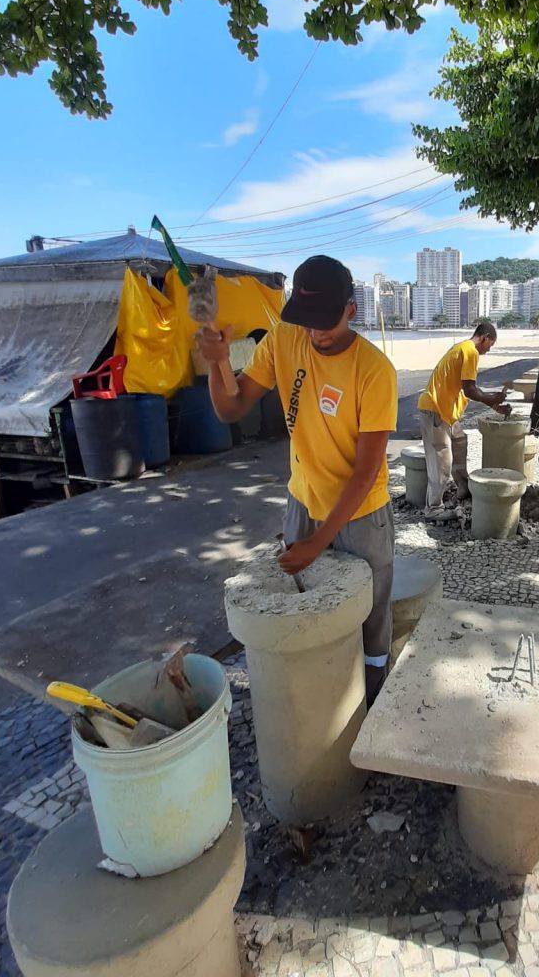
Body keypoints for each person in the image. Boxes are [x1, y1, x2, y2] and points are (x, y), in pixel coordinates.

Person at [195, 255, 398, 704]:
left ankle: (372, 698)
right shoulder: (284, 339)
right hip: (302, 503)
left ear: (351, 310)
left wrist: (318, 541)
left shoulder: (374, 370)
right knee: (304, 603)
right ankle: (318, 695)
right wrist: (218, 363)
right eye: (306, 320)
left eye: (325, 321)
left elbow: (365, 472)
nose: (315, 333)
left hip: (362, 514)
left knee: (369, 613)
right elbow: (230, 409)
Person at [417, 321, 511, 517]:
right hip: (435, 411)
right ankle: (433, 508)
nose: (488, 350)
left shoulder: (462, 349)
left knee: (460, 441)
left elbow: (466, 391)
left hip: (445, 412)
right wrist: (493, 398)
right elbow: (470, 390)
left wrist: (495, 405)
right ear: (485, 338)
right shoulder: (470, 351)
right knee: (442, 460)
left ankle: (464, 488)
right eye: (490, 345)